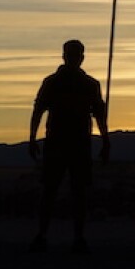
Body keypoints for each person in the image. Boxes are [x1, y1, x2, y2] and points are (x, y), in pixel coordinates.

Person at [29, 40, 110, 253]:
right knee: (51, 190)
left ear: (81, 57)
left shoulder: (90, 84)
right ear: (64, 56)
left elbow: (100, 115)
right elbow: (38, 111)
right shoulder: (53, 83)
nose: (74, 58)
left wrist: (106, 140)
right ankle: (44, 235)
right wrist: (31, 138)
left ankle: (78, 237)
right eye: (71, 54)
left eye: (76, 55)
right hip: (58, 142)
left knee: (78, 191)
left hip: (79, 143)